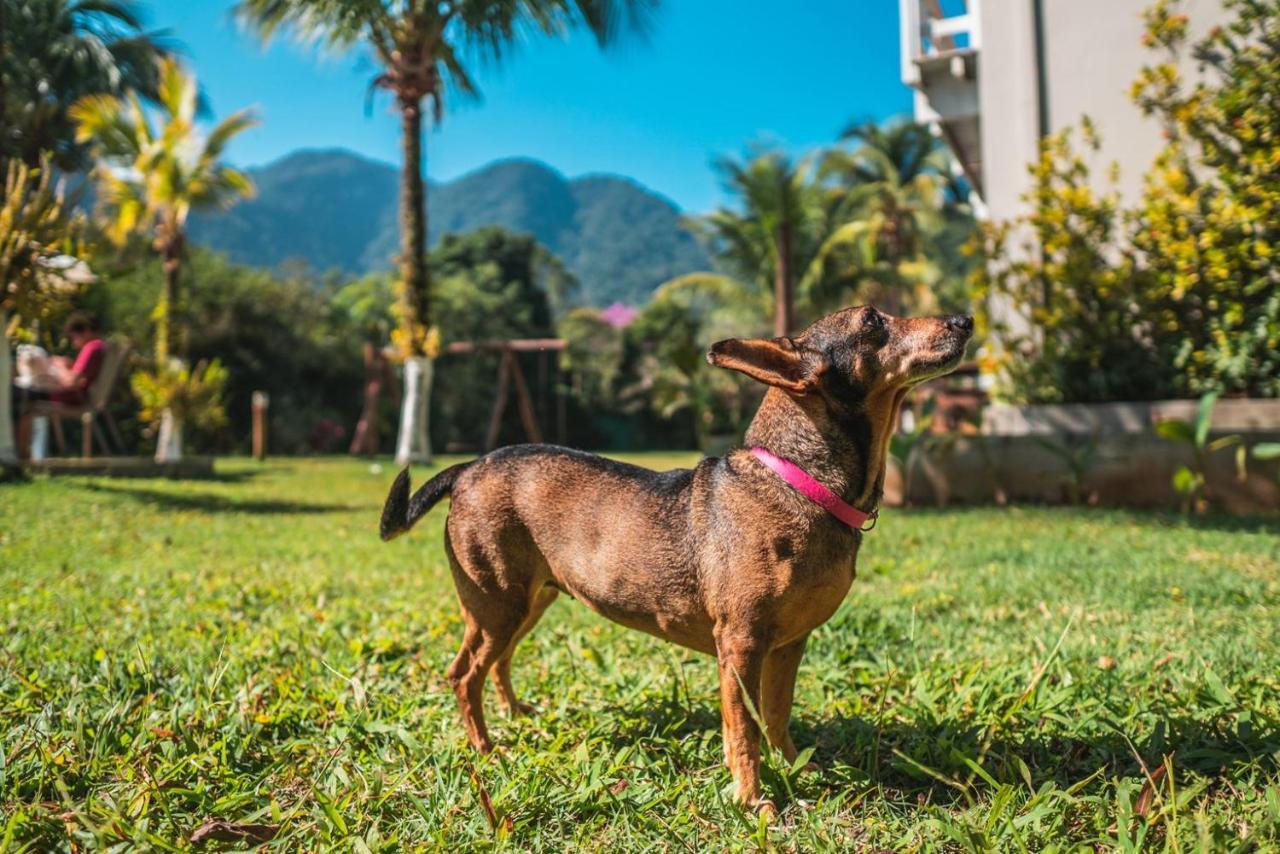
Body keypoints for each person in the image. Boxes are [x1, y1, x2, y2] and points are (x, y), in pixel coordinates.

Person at [12, 312, 106, 459]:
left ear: (86, 331)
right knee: (18, 396)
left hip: (68, 397)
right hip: (69, 395)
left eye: (74, 337)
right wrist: (68, 365)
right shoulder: (97, 347)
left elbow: (73, 382)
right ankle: (21, 454)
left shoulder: (92, 347)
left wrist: (60, 365)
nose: (73, 342)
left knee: (17, 397)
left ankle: (20, 455)